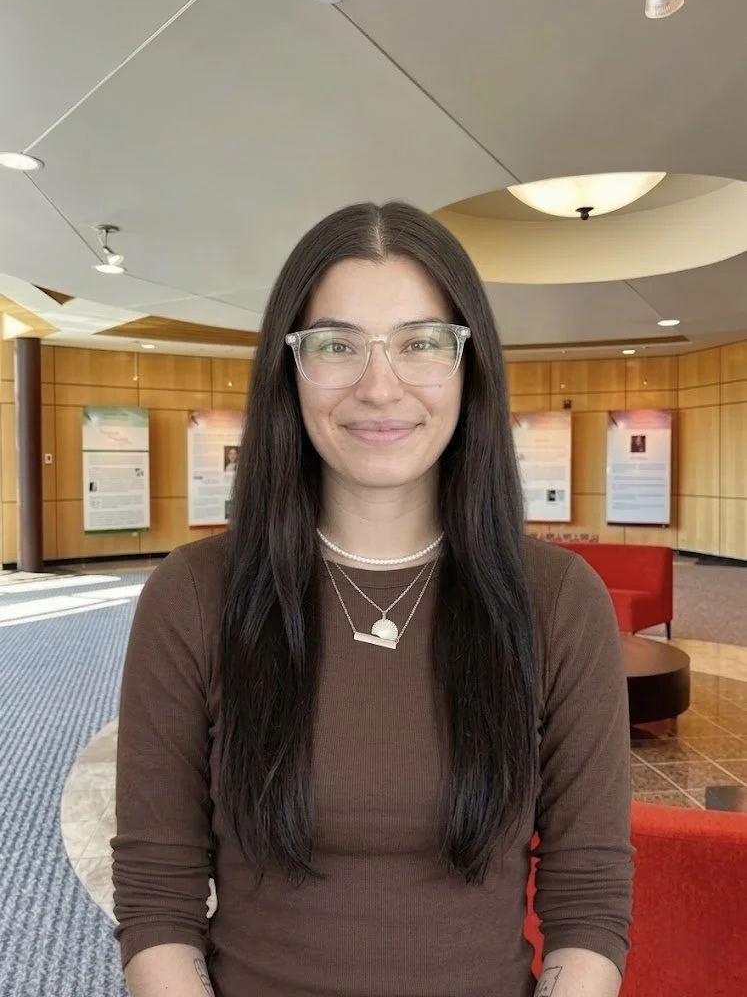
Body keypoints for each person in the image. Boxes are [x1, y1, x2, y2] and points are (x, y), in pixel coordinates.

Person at [112, 202, 632, 997]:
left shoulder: (558, 600)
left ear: (469, 366)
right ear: (289, 368)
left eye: (421, 343)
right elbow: (157, 893)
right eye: (336, 345)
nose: (379, 387)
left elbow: (588, 895)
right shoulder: (192, 594)